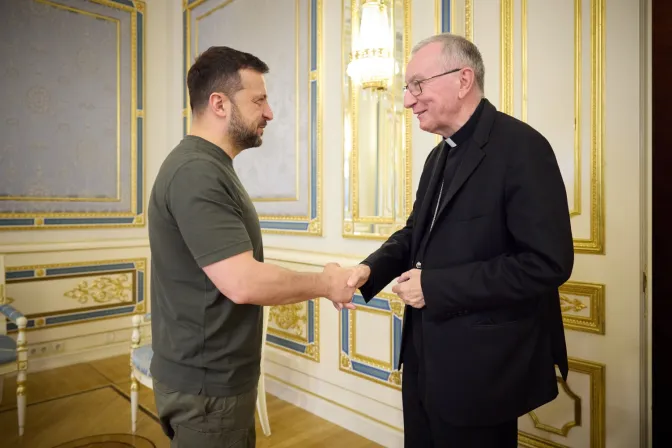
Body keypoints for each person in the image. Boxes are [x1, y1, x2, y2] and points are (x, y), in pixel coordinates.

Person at [344, 33, 574, 447]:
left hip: (483, 370)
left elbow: (547, 263)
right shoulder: (438, 156)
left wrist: (434, 286)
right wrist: (369, 269)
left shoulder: (523, 147)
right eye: (407, 87)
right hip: (424, 357)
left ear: (463, 79)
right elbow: (416, 232)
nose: (408, 100)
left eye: (418, 84)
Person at [147, 46, 355, 448]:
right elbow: (243, 282)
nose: (270, 112)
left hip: (210, 379)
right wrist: (327, 283)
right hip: (208, 386)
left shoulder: (206, 166)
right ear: (219, 104)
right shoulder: (196, 172)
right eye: (259, 100)